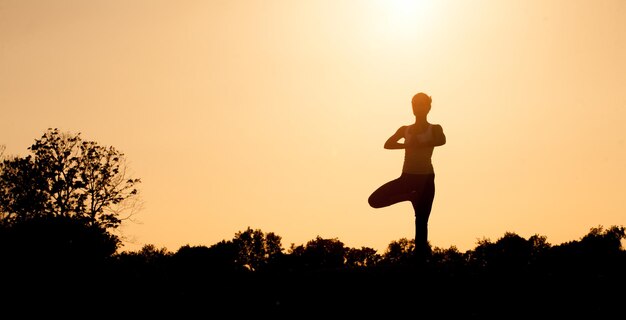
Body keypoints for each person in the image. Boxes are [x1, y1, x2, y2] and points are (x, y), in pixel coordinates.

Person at [368, 92, 446, 265]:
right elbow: (388, 144)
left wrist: (422, 144)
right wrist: (407, 144)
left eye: (421, 104)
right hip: (407, 179)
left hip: (426, 180)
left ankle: (420, 263)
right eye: (414, 104)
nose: (417, 108)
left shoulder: (435, 128)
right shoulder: (405, 129)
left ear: (428, 107)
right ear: (412, 107)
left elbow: (442, 140)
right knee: (373, 200)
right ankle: (409, 196)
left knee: (421, 222)